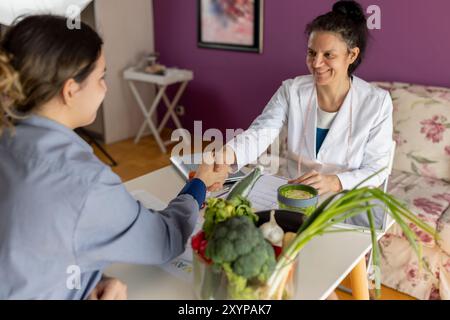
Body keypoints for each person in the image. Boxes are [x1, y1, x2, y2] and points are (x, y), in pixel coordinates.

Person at [0, 15, 228, 300]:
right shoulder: (83, 181)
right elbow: (166, 239)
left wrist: (83, 281)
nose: (105, 88)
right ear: (70, 90)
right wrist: (199, 184)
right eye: (101, 77)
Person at [218, 0, 393, 195]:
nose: (317, 63)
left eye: (328, 55)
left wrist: (335, 182)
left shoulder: (377, 102)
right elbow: (260, 133)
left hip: (344, 202)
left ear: (351, 55)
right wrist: (225, 156)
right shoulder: (291, 90)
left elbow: (377, 169)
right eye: (311, 53)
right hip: (294, 196)